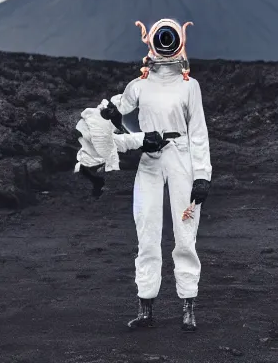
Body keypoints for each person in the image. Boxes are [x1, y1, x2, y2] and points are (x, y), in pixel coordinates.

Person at [108, 18, 212, 332]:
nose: (165, 42)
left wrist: (202, 174)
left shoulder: (189, 86)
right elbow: (114, 114)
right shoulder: (138, 85)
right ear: (153, 41)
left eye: (170, 36)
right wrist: (135, 137)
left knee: (185, 235)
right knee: (148, 233)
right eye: (161, 37)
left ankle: (188, 308)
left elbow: (198, 132)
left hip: (181, 157)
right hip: (150, 160)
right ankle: (146, 308)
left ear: (178, 40)